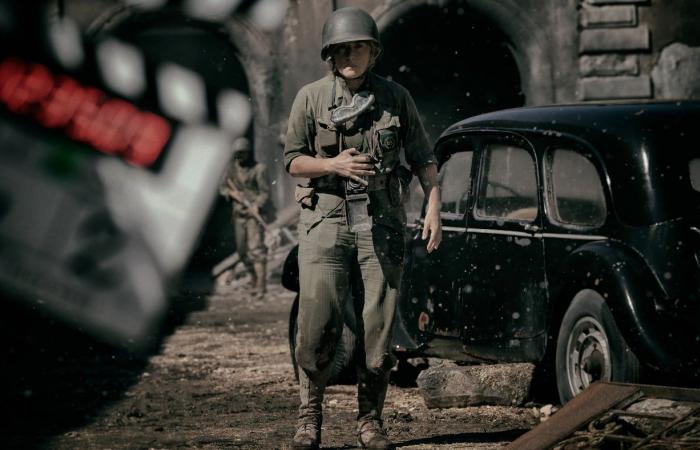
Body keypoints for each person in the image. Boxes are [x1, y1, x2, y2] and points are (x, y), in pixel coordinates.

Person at [284, 7, 442, 449]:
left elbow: (423, 158)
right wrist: (332, 163)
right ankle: (308, 416)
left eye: (358, 46)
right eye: (341, 48)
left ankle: (370, 422)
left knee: (379, 329)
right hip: (326, 220)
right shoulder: (311, 98)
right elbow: (293, 159)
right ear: (329, 55)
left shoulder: (396, 99)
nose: (349, 55)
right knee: (316, 326)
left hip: (382, 221)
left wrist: (434, 207)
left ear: (374, 51)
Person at [221, 137, 275, 295]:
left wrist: (257, 205)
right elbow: (222, 188)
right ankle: (253, 279)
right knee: (242, 252)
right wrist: (231, 193)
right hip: (238, 215)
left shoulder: (259, 169)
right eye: (237, 154)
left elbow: (265, 193)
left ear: (249, 153)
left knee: (256, 250)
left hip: (253, 216)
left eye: (242, 154)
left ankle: (261, 286)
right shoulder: (230, 170)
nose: (239, 157)